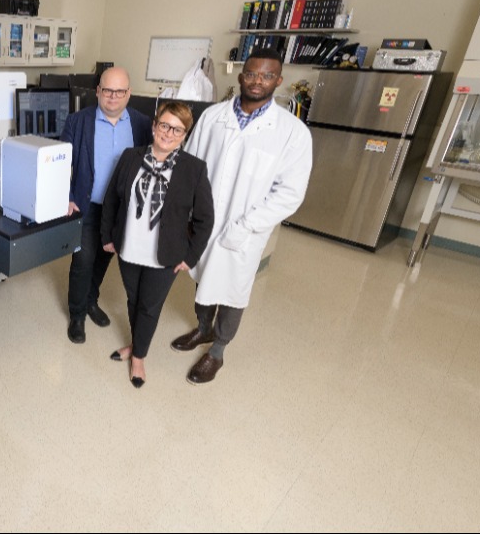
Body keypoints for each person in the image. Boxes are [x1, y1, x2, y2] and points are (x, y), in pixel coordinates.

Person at [171, 48, 313, 384]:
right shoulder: (212, 118)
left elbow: (290, 193)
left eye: (266, 76)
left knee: (233, 289)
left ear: (278, 80)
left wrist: (247, 225)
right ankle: (203, 329)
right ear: (241, 75)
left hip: (246, 229)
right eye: (251, 73)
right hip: (204, 222)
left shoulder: (292, 133)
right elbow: (190, 165)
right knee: (202, 277)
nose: (257, 81)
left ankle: (218, 350)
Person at [101, 101, 214, 388]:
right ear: (154, 126)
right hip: (129, 248)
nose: (168, 133)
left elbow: (205, 219)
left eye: (177, 129)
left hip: (165, 256)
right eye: (164, 125)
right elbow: (112, 200)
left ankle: (138, 356)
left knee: (149, 306)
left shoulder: (193, 170)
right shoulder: (130, 157)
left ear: (184, 135)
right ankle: (135, 342)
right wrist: (108, 237)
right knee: (133, 300)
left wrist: (190, 257)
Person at [60, 66, 152, 344]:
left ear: (129, 93)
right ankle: (77, 315)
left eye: (119, 91)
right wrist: (67, 196)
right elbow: (63, 162)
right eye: (107, 90)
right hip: (87, 206)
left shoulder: (141, 123)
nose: (113, 96)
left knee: (103, 258)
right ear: (98, 91)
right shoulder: (78, 121)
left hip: (120, 210)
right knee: (83, 260)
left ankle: (90, 301)